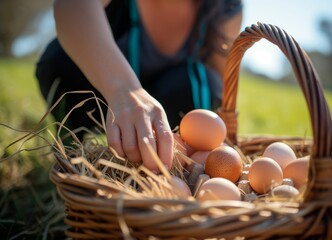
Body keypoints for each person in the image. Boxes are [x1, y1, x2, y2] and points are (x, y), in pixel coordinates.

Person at [36, 0, 243, 172]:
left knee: (204, 82)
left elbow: (223, 79)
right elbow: (72, 6)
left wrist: (220, 151)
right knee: (60, 61)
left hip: (170, 115)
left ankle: (171, 165)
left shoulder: (226, 6)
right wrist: (124, 89)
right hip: (107, 96)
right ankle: (71, 145)